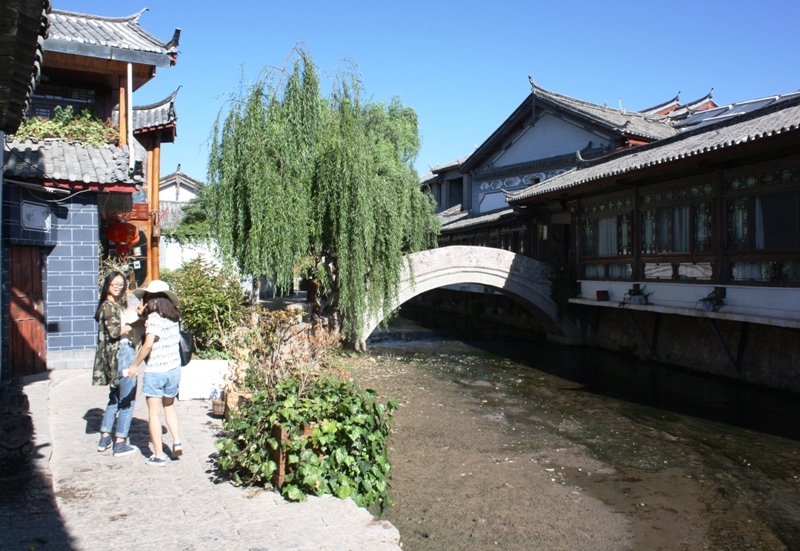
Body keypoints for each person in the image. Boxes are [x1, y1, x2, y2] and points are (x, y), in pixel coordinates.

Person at [128, 280, 183, 467]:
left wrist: (135, 365)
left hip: (156, 370)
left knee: (154, 414)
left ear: (151, 299)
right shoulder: (174, 315)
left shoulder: (154, 319)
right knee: (170, 407)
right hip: (174, 368)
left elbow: (149, 343)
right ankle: (177, 442)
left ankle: (159, 455)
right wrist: (143, 314)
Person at [92, 271, 139, 457]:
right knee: (127, 400)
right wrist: (136, 323)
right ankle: (120, 442)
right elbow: (114, 332)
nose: (119, 286)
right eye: (115, 283)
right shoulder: (109, 306)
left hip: (114, 357)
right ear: (108, 285)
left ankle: (105, 437)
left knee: (115, 397)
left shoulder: (107, 305)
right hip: (123, 353)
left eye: (121, 283)